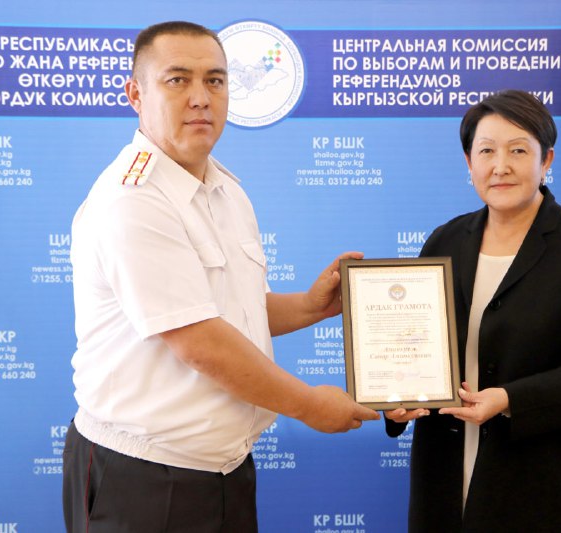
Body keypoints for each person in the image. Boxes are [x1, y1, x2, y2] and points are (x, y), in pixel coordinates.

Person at [62, 21, 378, 533]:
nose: (200, 97)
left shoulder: (226, 190)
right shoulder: (132, 200)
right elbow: (200, 342)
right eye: (177, 80)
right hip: (142, 476)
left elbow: (234, 310)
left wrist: (311, 306)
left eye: (215, 80)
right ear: (136, 94)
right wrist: (309, 406)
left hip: (225, 470)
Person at [385, 90, 561, 532]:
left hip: (536, 474)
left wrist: (509, 399)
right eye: (486, 151)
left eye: (518, 150)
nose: (500, 166)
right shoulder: (444, 241)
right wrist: (395, 399)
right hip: (442, 467)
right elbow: (413, 346)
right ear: (469, 162)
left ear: (546, 159)